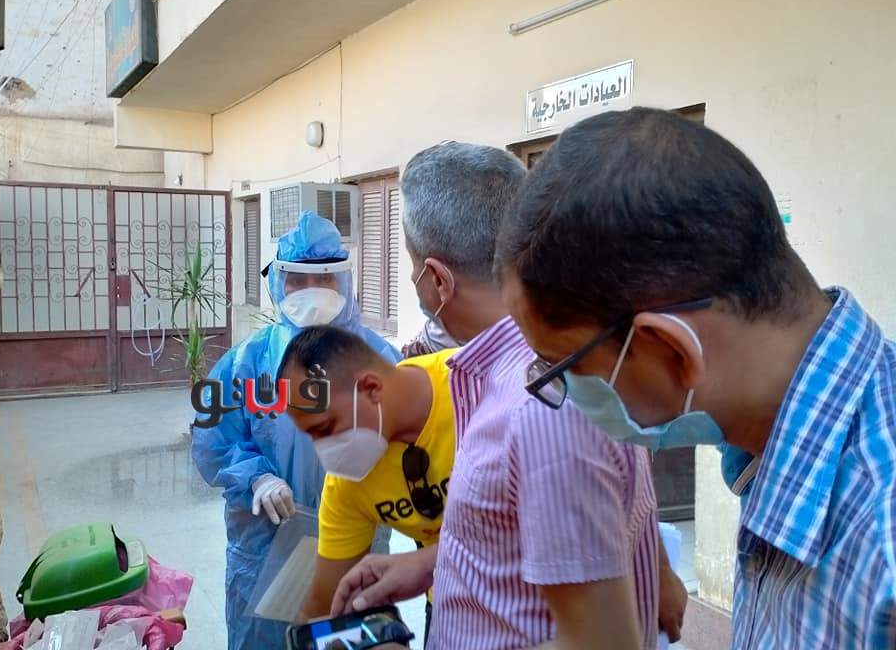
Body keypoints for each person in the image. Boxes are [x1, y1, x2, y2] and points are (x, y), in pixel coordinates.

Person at [496, 107, 896, 648]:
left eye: (565, 369)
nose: (567, 398)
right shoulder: (782, 450)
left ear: (671, 349)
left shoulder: (881, 543)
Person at [333, 142, 686, 649]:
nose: (413, 283)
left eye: (411, 267)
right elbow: (550, 525)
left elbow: (598, 643)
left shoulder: (537, 405)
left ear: (437, 279)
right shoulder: (514, 373)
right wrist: (433, 563)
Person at [192, 211, 401, 650]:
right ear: (277, 282)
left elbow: (408, 445)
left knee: (351, 635)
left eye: (323, 280)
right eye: (297, 281)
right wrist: (256, 477)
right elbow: (213, 439)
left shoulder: (381, 359)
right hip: (266, 547)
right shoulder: (247, 362)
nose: (311, 291)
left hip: (355, 545)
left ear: (343, 281)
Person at [278, 325, 457, 644]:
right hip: (451, 602)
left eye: (326, 428)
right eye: (312, 436)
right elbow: (326, 603)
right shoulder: (347, 483)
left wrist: (429, 561)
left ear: (372, 388)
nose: (325, 451)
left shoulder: (473, 389)